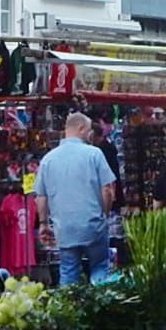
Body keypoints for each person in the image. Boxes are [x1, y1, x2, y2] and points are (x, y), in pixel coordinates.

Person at [33, 112, 117, 286]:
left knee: (68, 271)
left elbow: (41, 196)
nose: (90, 134)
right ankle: (102, 307)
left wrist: (43, 224)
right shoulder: (94, 154)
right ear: (80, 128)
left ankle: (67, 308)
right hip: (93, 223)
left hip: (65, 227)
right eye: (88, 130)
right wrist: (105, 213)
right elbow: (107, 189)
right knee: (100, 268)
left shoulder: (48, 159)